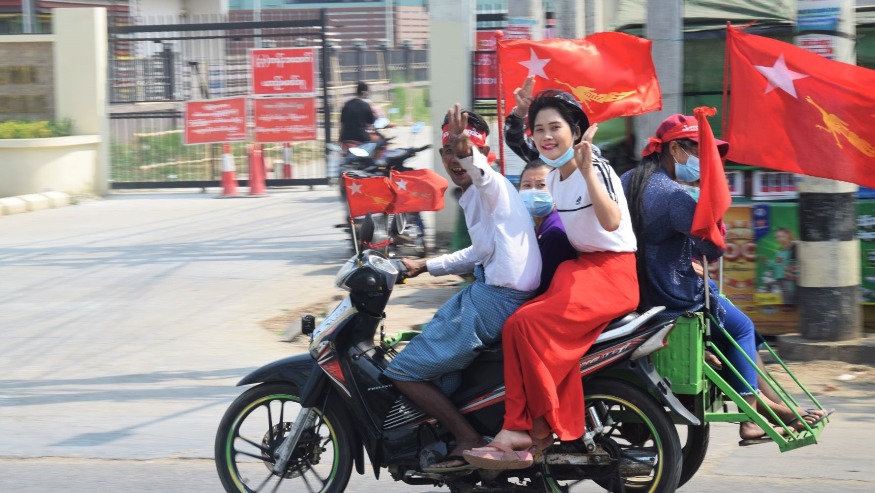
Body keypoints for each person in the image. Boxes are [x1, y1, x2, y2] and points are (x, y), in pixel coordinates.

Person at [621, 113, 827, 445]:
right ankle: (753, 417)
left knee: (734, 326)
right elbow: (713, 248)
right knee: (741, 327)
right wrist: (711, 202)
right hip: (670, 294)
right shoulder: (674, 196)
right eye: (699, 152)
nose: (705, 162)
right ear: (674, 150)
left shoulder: (628, 180)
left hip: (640, 290)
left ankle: (775, 406)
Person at [464, 90, 639, 469]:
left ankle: (530, 427)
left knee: (528, 323)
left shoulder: (596, 166)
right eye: (539, 128)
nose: (546, 136)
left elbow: (611, 222)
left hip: (611, 274)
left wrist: (589, 171)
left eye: (555, 127)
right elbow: (522, 146)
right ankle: (523, 426)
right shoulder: (555, 173)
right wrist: (517, 114)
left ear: (575, 130)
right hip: (580, 269)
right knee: (514, 325)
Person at [384, 106, 541, 471]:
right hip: (489, 292)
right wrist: (425, 265)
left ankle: (467, 437)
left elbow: (479, 173)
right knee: (440, 360)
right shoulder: (474, 195)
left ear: (483, 155)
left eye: (463, 151)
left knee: (402, 370)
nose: (455, 160)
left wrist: (465, 151)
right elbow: (479, 251)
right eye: (448, 152)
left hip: (496, 299)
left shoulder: (490, 185)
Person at [517, 159, 577, 296]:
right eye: (527, 185)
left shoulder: (555, 233)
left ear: (556, 187)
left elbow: (543, 285)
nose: (533, 191)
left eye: (541, 185)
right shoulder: (528, 225)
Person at [339, 81, 376, 149]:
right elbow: (371, 122)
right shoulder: (366, 105)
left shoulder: (346, 105)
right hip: (361, 138)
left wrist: (340, 139)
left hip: (346, 139)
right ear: (365, 92)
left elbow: (342, 125)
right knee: (376, 142)